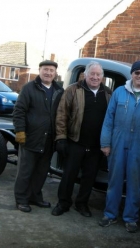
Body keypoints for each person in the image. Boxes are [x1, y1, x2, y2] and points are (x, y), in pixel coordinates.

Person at [98, 60, 140, 233]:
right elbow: (108, 119)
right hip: (118, 142)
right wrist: (105, 143)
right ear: (132, 74)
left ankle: (130, 219)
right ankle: (110, 214)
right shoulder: (120, 92)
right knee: (115, 181)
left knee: (135, 183)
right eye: (137, 73)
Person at [51, 61, 111, 217]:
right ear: (86, 74)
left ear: (102, 77)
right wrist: (61, 138)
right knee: (69, 175)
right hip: (75, 141)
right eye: (92, 74)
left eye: (98, 75)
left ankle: (81, 204)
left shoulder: (108, 94)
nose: (95, 77)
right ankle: (63, 203)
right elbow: (62, 114)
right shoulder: (73, 90)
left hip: (96, 145)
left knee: (89, 178)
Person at [13, 60, 64, 212]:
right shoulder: (29, 88)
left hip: (49, 140)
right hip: (30, 138)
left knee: (41, 172)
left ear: (55, 73)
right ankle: (21, 200)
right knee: (25, 171)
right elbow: (19, 111)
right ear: (39, 70)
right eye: (45, 69)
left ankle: (35, 197)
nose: (48, 73)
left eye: (51, 70)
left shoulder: (59, 91)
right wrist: (20, 132)